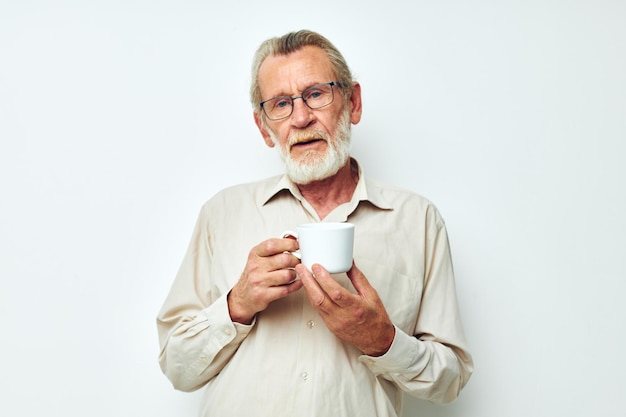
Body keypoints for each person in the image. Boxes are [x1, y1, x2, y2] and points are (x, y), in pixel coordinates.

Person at [157, 29, 473, 417]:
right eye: (281, 104)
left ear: (353, 103)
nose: (302, 117)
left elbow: (451, 380)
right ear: (264, 128)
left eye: (317, 94)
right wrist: (237, 304)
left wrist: (383, 341)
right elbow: (177, 367)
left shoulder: (418, 220)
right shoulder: (221, 213)